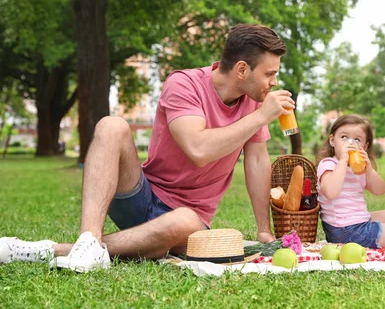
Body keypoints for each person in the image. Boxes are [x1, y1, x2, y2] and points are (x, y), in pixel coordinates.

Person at [0, 24, 293, 272]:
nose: (274, 82)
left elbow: (256, 161)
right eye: (269, 74)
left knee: (186, 219)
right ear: (242, 69)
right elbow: (198, 149)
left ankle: (60, 250)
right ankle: (88, 238)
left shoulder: (255, 103)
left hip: (186, 222)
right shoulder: (185, 84)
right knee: (111, 125)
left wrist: (263, 229)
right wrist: (260, 116)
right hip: (142, 197)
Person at [315, 114, 385, 249]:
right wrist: (342, 161)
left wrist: (369, 171)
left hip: (361, 222)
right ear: (332, 140)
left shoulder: (358, 168)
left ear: (365, 146)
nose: (350, 143)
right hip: (344, 231)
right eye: (344, 137)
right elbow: (330, 192)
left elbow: (380, 190)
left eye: (357, 139)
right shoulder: (328, 164)